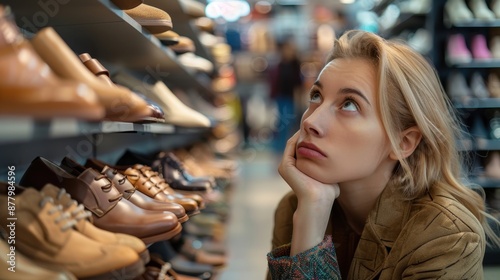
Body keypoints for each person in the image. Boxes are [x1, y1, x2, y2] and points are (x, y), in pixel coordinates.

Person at [266, 30, 500, 279]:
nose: (311, 121)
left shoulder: (446, 235)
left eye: (349, 104)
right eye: (316, 96)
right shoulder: (297, 206)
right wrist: (311, 214)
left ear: (403, 142)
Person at [269, 36, 304, 153]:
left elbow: (298, 83)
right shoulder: (280, 64)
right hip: (280, 96)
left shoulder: (295, 65)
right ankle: (278, 145)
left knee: (287, 120)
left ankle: (284, 144)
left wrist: (298, 97)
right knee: (280, 121)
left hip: (290, 97)